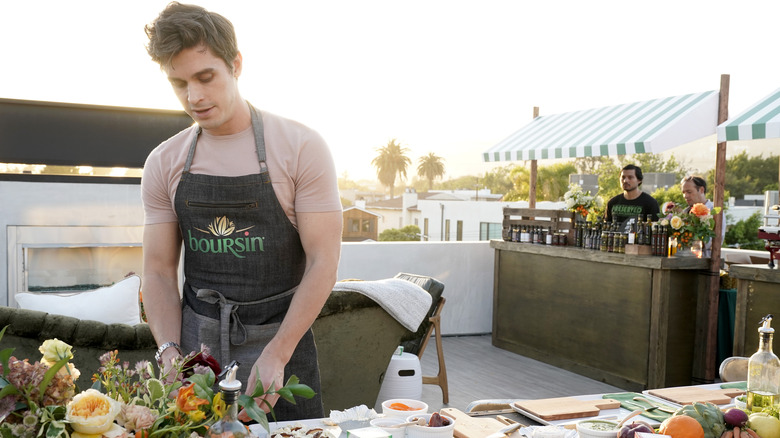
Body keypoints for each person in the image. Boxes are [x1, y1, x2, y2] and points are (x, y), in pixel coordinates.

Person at [140, 2, 342, 421]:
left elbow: (324, 262)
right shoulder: (164, 161)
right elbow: (158, 270)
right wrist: (169, 352)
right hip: (197, 355)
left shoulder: (301, 147)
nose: (193, 96)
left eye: (205, 77)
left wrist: (277, 354)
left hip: (283, 347)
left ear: (236, 64)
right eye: (179, 83)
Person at [604, 164, 660, 229]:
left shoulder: (650, 203)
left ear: (639, 180)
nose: (625, 180)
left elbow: (655, 228)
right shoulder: (612, 202)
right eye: (623, 177)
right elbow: (606, 226)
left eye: (630, 177)